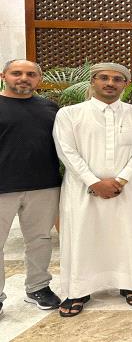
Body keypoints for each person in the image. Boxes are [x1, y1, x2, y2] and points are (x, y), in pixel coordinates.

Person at [52, 63, 132, 317]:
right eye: (104, 78)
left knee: (126, 235)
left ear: (125, 84)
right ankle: (78, 290)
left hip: (125, 190)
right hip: (82, 188)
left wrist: (121, 179)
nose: (110, 83)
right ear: (92, 81)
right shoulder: (69, 114)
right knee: (82, 236)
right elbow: (66, 150)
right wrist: (93, 181)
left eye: (117, 79)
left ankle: (130, 283)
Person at [0, 59, 62, 316]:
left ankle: (38, 287)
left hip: (44, 186)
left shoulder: (50, 108)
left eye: (30, 74)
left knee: (40, 240)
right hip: (2, 187)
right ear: (3, 76)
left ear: (39, 79)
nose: (23, 78)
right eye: (17, 73)